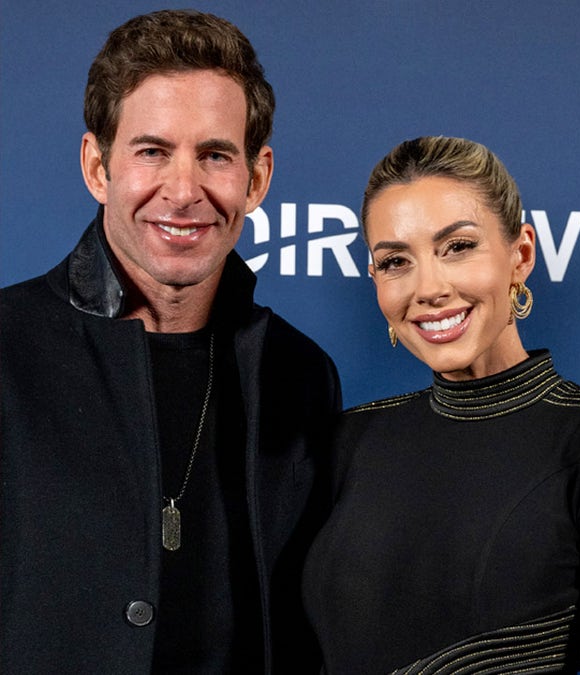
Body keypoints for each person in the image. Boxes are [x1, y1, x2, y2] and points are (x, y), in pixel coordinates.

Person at [0, 10, 341, 673]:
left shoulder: (299, 374)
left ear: (257, 178)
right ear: (97, 167)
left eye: (215, 155)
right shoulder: (8, 346)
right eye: (152, 151)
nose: (183, 191)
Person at [302, 136, 580, 674]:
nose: (428, 288)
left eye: (457, 247)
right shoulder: (348, 443)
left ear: (520, 255)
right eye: (395, 261)